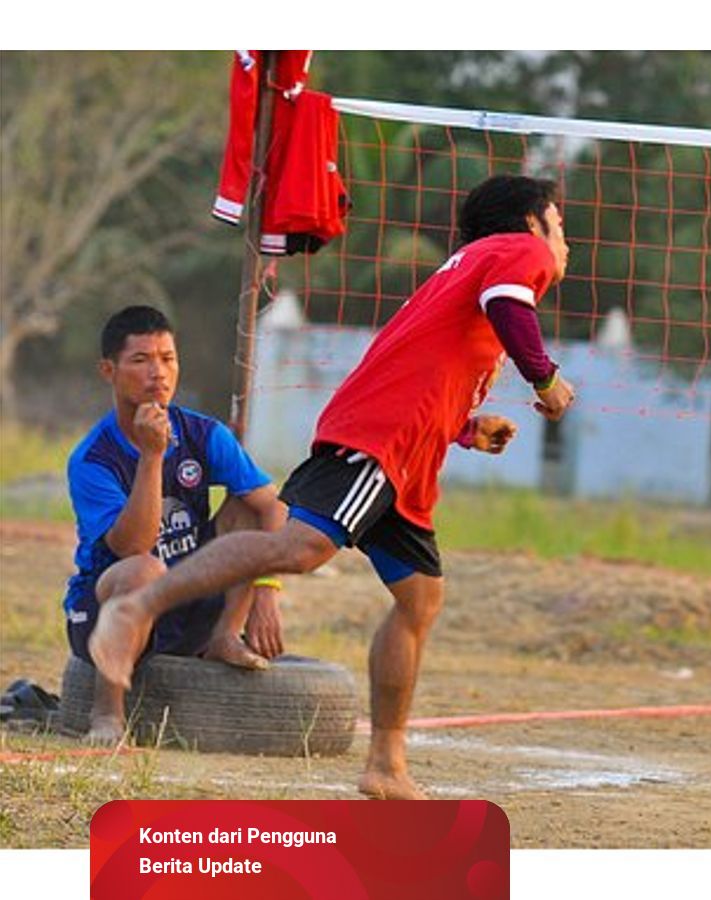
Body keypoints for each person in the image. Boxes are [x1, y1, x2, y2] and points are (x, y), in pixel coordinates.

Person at [88, 174, 576, 798]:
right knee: (300, 548)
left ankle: (385, 766)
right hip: (381, 440)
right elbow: (510, 310)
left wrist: (464, 428)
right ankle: (137, 608)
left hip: (407, 454)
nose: (564, 244)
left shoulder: (467, 266)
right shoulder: (518, 252)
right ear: (532, 223)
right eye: (559, 227)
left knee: (419, 601)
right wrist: (546, 382)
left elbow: (423, 366)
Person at [65, 305, 288, 743]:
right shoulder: (93, 459)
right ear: (108, 370)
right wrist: (152, 456)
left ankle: (224, 636)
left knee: (247, 505)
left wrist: (267, 590)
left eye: (167, 359)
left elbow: (274, 508)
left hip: (188, 600)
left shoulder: (205, 434)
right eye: (141, 360)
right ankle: (107, 713)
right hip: (108, 610)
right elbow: (135, 546)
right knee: (143, 570)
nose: (158, 374)